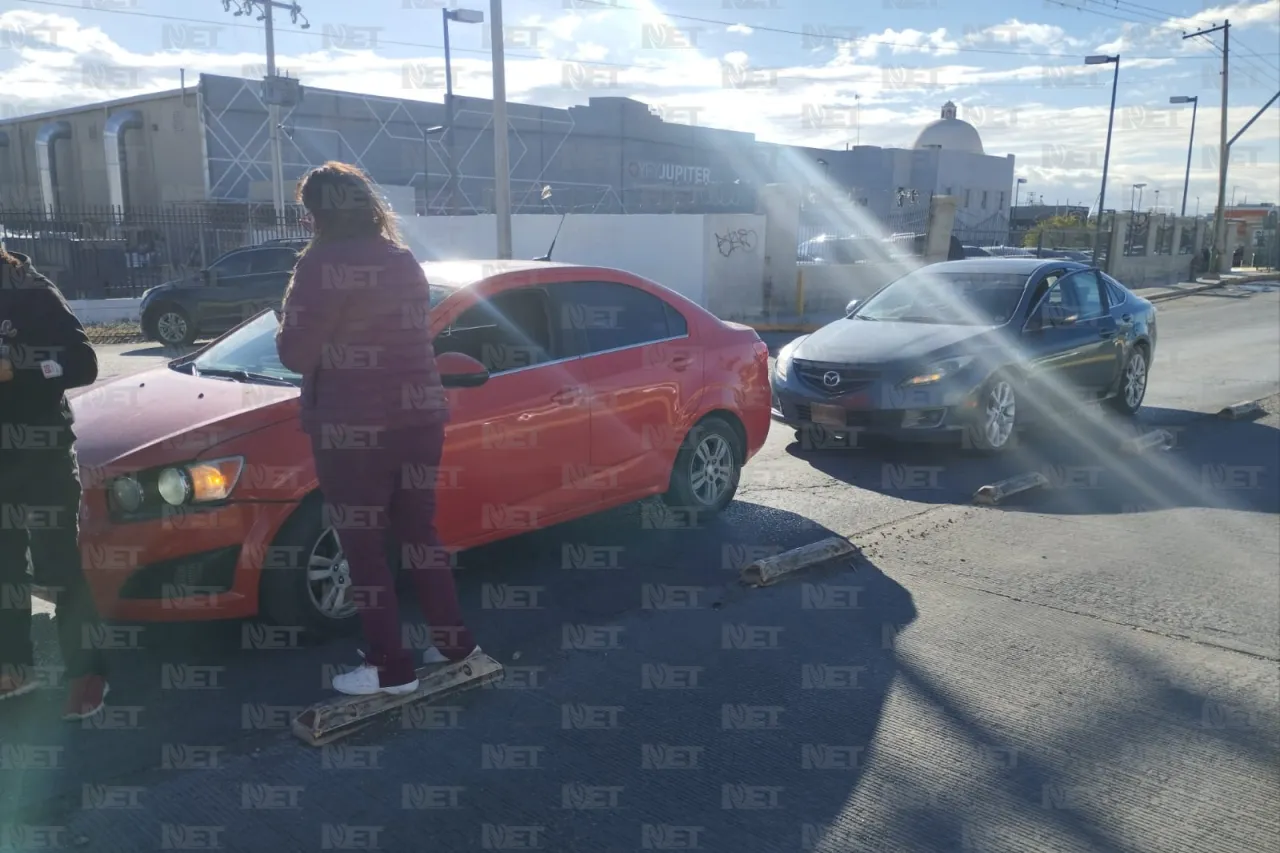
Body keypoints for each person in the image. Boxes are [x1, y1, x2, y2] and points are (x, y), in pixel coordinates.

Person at [275, 161, 478, 697]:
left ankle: (391, 669)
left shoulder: (320, 265)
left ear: (316, 213)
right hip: (419, 416)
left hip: (353, 427)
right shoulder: (402, 259)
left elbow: (295, 353)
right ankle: (454, 642)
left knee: (362, 547)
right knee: (418, 535)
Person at [0, 246, 110, 719]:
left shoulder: (32, 291)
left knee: (58, 564)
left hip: (41, 454)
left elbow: (83, 363)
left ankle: (88, 675)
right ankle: (14, 668)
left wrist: (18, 369)